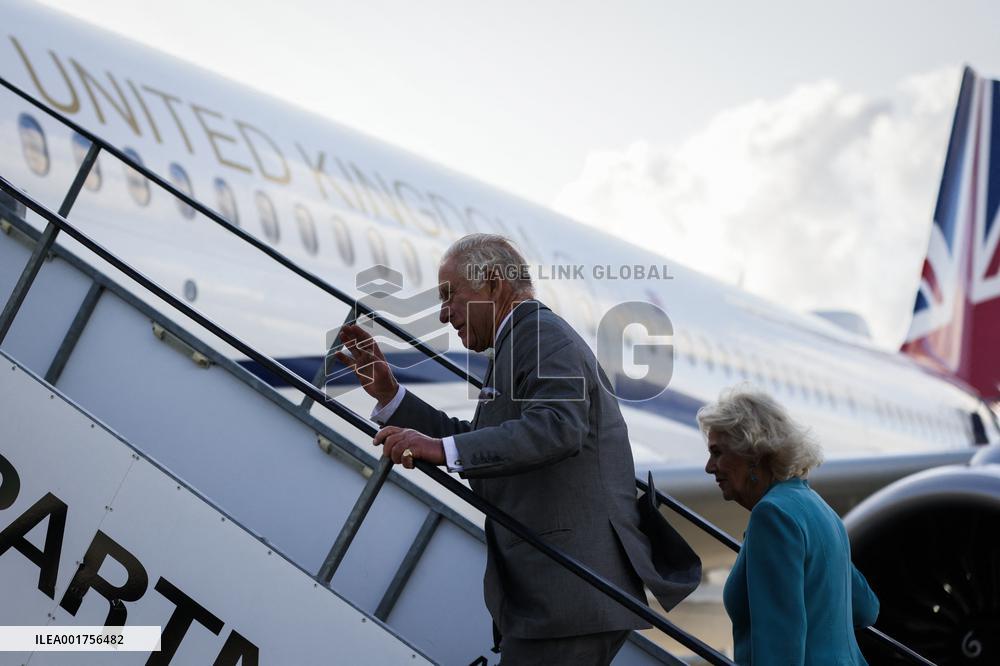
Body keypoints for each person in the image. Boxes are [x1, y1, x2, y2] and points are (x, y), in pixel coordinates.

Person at [335, 234, 699, 665]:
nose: (443, 313)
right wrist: (391, 397)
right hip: (559, 597)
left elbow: (558, 427)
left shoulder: (541, 335)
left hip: (568, 594)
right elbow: (488, 439)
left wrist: (440, 448)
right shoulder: (520, 340)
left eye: (449, 295)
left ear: (493, 283)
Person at [698, 387, 879, 665]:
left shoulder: (772, 515)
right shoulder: (821, 510)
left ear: (753, 453)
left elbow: (779, 644)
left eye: (717, 452)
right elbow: (866, 608)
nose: (710, 467)